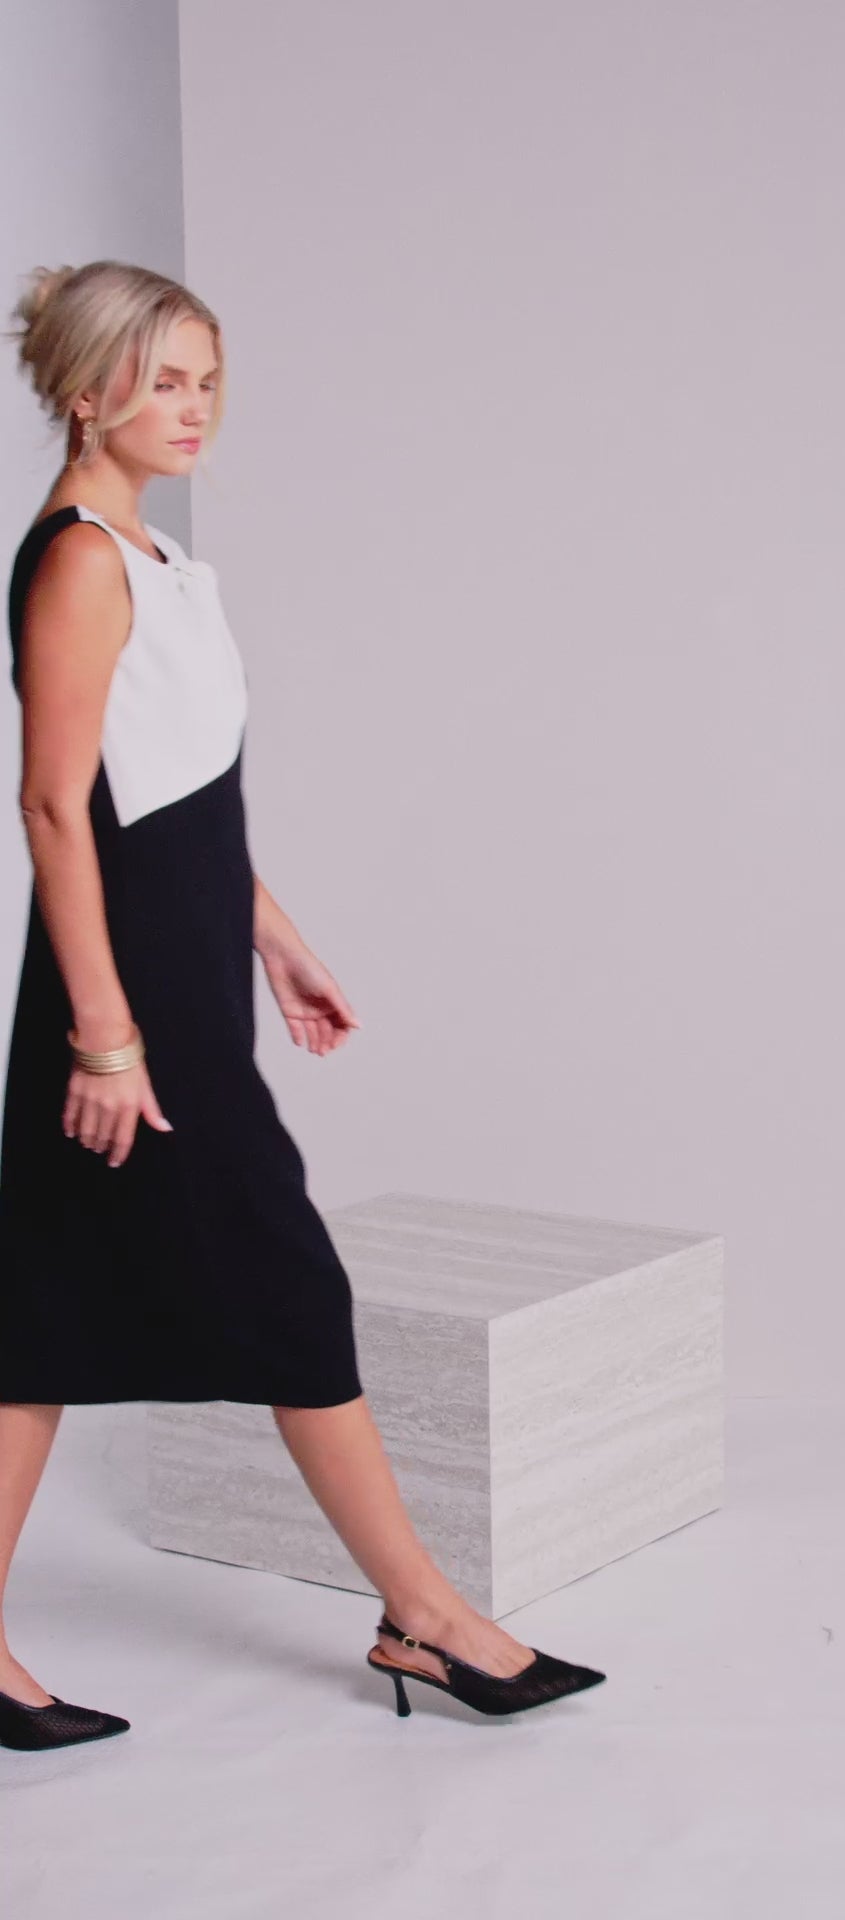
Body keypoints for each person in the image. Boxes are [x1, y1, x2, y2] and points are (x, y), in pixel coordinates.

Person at [0, 260, 604, 1751]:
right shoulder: (81, 562)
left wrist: (276, 940)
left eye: (207, 380)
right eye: (162, 380)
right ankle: (427, 1616)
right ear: (85, 391)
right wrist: (104, 1035)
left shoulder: (156, 559)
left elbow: (179, 801)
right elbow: (58, 808)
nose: (193, 408)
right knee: (285, 1287)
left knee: (40, 1313)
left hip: (184, 975)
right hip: (132, 1005)